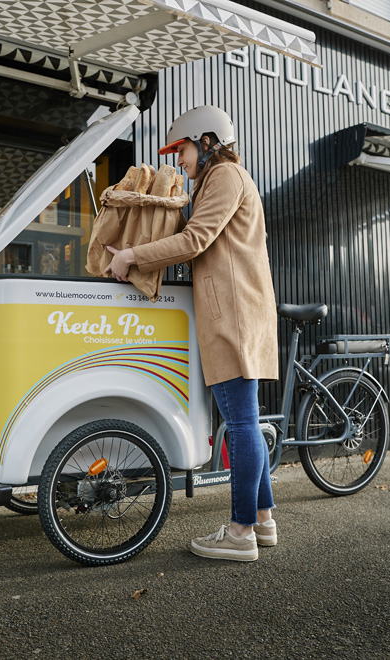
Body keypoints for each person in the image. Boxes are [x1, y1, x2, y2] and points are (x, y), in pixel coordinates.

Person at [104, 105, 279, 562]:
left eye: (181, 149)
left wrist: (131, 258)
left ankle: (240, 533)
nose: (179, 160)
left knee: (241, 424)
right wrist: (130, 248)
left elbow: (194, 240)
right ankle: (261, 519)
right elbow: (184, 233)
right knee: (247, 423)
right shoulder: (217, 181)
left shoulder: (224, 177)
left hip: (233, 315)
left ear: (206, 142)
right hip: (237, 311)